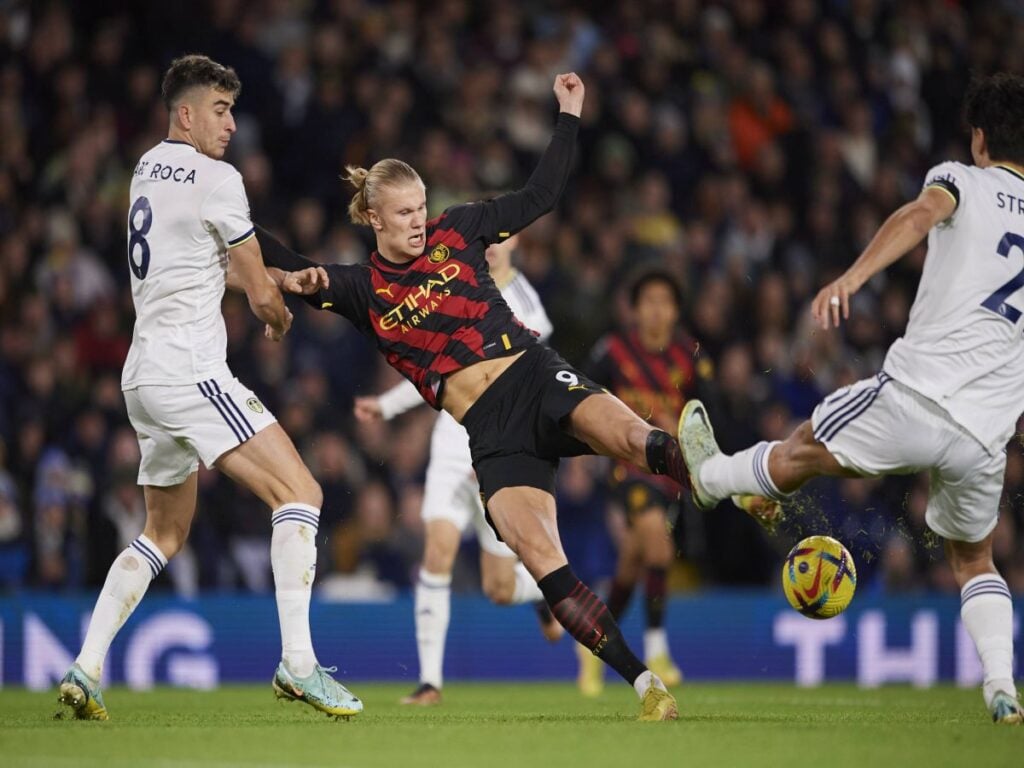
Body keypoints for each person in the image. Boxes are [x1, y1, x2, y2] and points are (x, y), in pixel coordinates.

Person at [256, 72, 768, 720]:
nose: (418, 221)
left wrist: (570, 114)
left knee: (633, 437)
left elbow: (541, 195)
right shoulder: (361, 289)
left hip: (534, 374)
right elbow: (284, 261)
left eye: (421, 207)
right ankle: (644, 684)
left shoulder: (460, 227)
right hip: (490, 433)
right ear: (375, 218)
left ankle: (732, 482)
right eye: (404, 213)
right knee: (544, 566)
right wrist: (225, 223)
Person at [679, 73, 1024, 725]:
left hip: (919, 395)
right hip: (985, 433)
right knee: (975, 558)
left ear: (980, 139)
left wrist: (853, 276)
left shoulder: (961, 179)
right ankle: (1002, 687)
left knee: (803, 447)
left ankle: (711, 477)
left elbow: (919, 215)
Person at [57, 54, 362, 721]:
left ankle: (85, 666)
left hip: (143, 377)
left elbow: (197, 264)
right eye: (220, 111)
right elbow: (256, 291)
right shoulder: (219, 178)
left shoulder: (146, 168)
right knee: (301, 494)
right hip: (192, 371)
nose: (231, 125)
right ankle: (299, 664)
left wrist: (275, 279)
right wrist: (277, 310)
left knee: (164, 532)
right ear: (187, 113)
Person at [353, 233, 563, 706]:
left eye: (502, 238)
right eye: (487, 238)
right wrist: (386, 406)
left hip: (497, 454)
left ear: (517, 241)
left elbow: (534, 390)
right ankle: (429, 682)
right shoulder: (455, 288)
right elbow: (437, 371)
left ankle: (539, 593)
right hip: (452, 444)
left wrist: (508, 450)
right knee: (438, 551)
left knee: (499, 588)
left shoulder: (527, 304)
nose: (491, 246)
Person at [576, 268, 710, 696]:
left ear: (675, 311)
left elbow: (708, 419)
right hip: (626, 467)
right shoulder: (613, 352)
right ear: (634, 309)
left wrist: (684, 431)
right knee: (658, 545)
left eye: (664, 302)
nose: (656, 310)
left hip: (670, 475)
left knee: (633, 561)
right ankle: (656, 649)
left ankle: (593, 644)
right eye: (648, 301)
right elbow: (580, 398)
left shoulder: (689, 357)